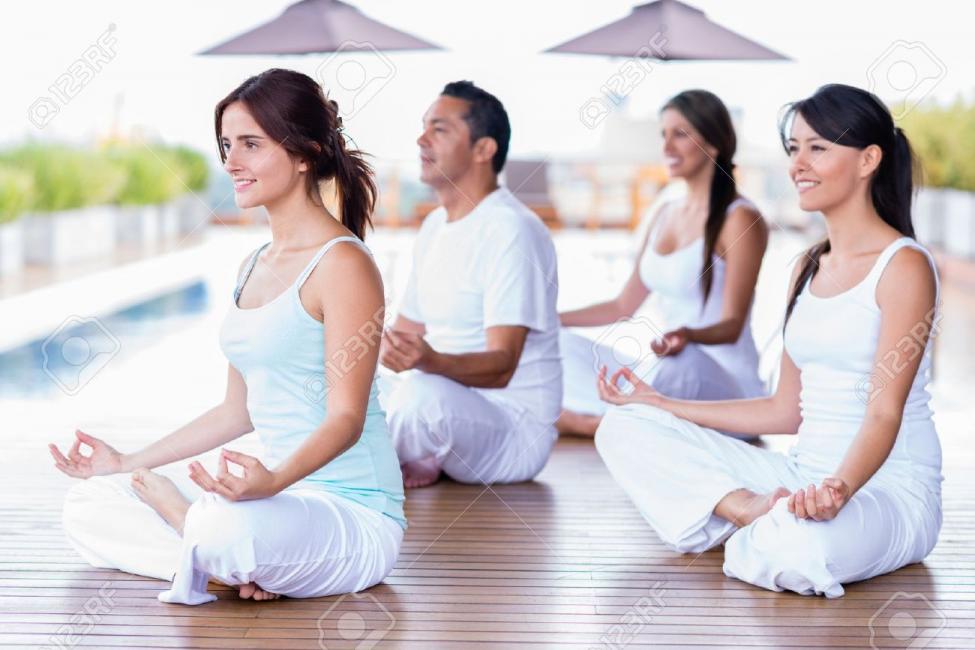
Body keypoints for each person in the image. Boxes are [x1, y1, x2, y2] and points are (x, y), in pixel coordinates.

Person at [50, 68, 405, 605]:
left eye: (250, 144)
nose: (231, 162)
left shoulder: (344, 264)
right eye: (226, 145)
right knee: (90, 503)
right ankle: (219, 564)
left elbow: (346, 419)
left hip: (350, 512)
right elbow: (234, 412)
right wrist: (127, 462)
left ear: (305, 153)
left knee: (224, 528)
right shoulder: (252, 265)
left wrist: (273, 482)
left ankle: (194, 533)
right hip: (275, 505)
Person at [594, 83, 942, 598]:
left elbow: (884, 412)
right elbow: (784, 411)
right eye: (793, 148)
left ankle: (761, 529)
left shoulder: (905, 266)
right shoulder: (806, 267)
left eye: (818, 148)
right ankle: (746, 512)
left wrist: (838, 489)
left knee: (797, 553)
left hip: (886, 489)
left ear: (869, 159)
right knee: (623, 425)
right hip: (800, 477)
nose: (798, 163)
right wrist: (659, 402)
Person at [379, 81, 561, 489]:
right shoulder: (434, 226)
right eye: (424, 126)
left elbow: (502, 366)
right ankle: (412, 452)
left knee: (420, 398)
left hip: (513, 433)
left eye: (439, 129)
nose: (420, 139)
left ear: (483, 150)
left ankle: (326, 468)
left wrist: (429, 361)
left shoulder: (511, 229)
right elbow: (405, 334)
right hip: (450, 405)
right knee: (338, 379)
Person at [558, 90, 768, 437]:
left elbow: (732, 325)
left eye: (680, 134)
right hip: (666, 369)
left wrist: (687, 335)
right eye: (664, 135)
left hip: (724, 385)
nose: (667, 147)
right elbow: (622, 306)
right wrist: (547, 321)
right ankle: (625, 416)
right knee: (554, 342)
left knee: (679, 362)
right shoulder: (665, 213)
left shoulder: (739, 218)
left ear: (713, 144)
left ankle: (595, 421)